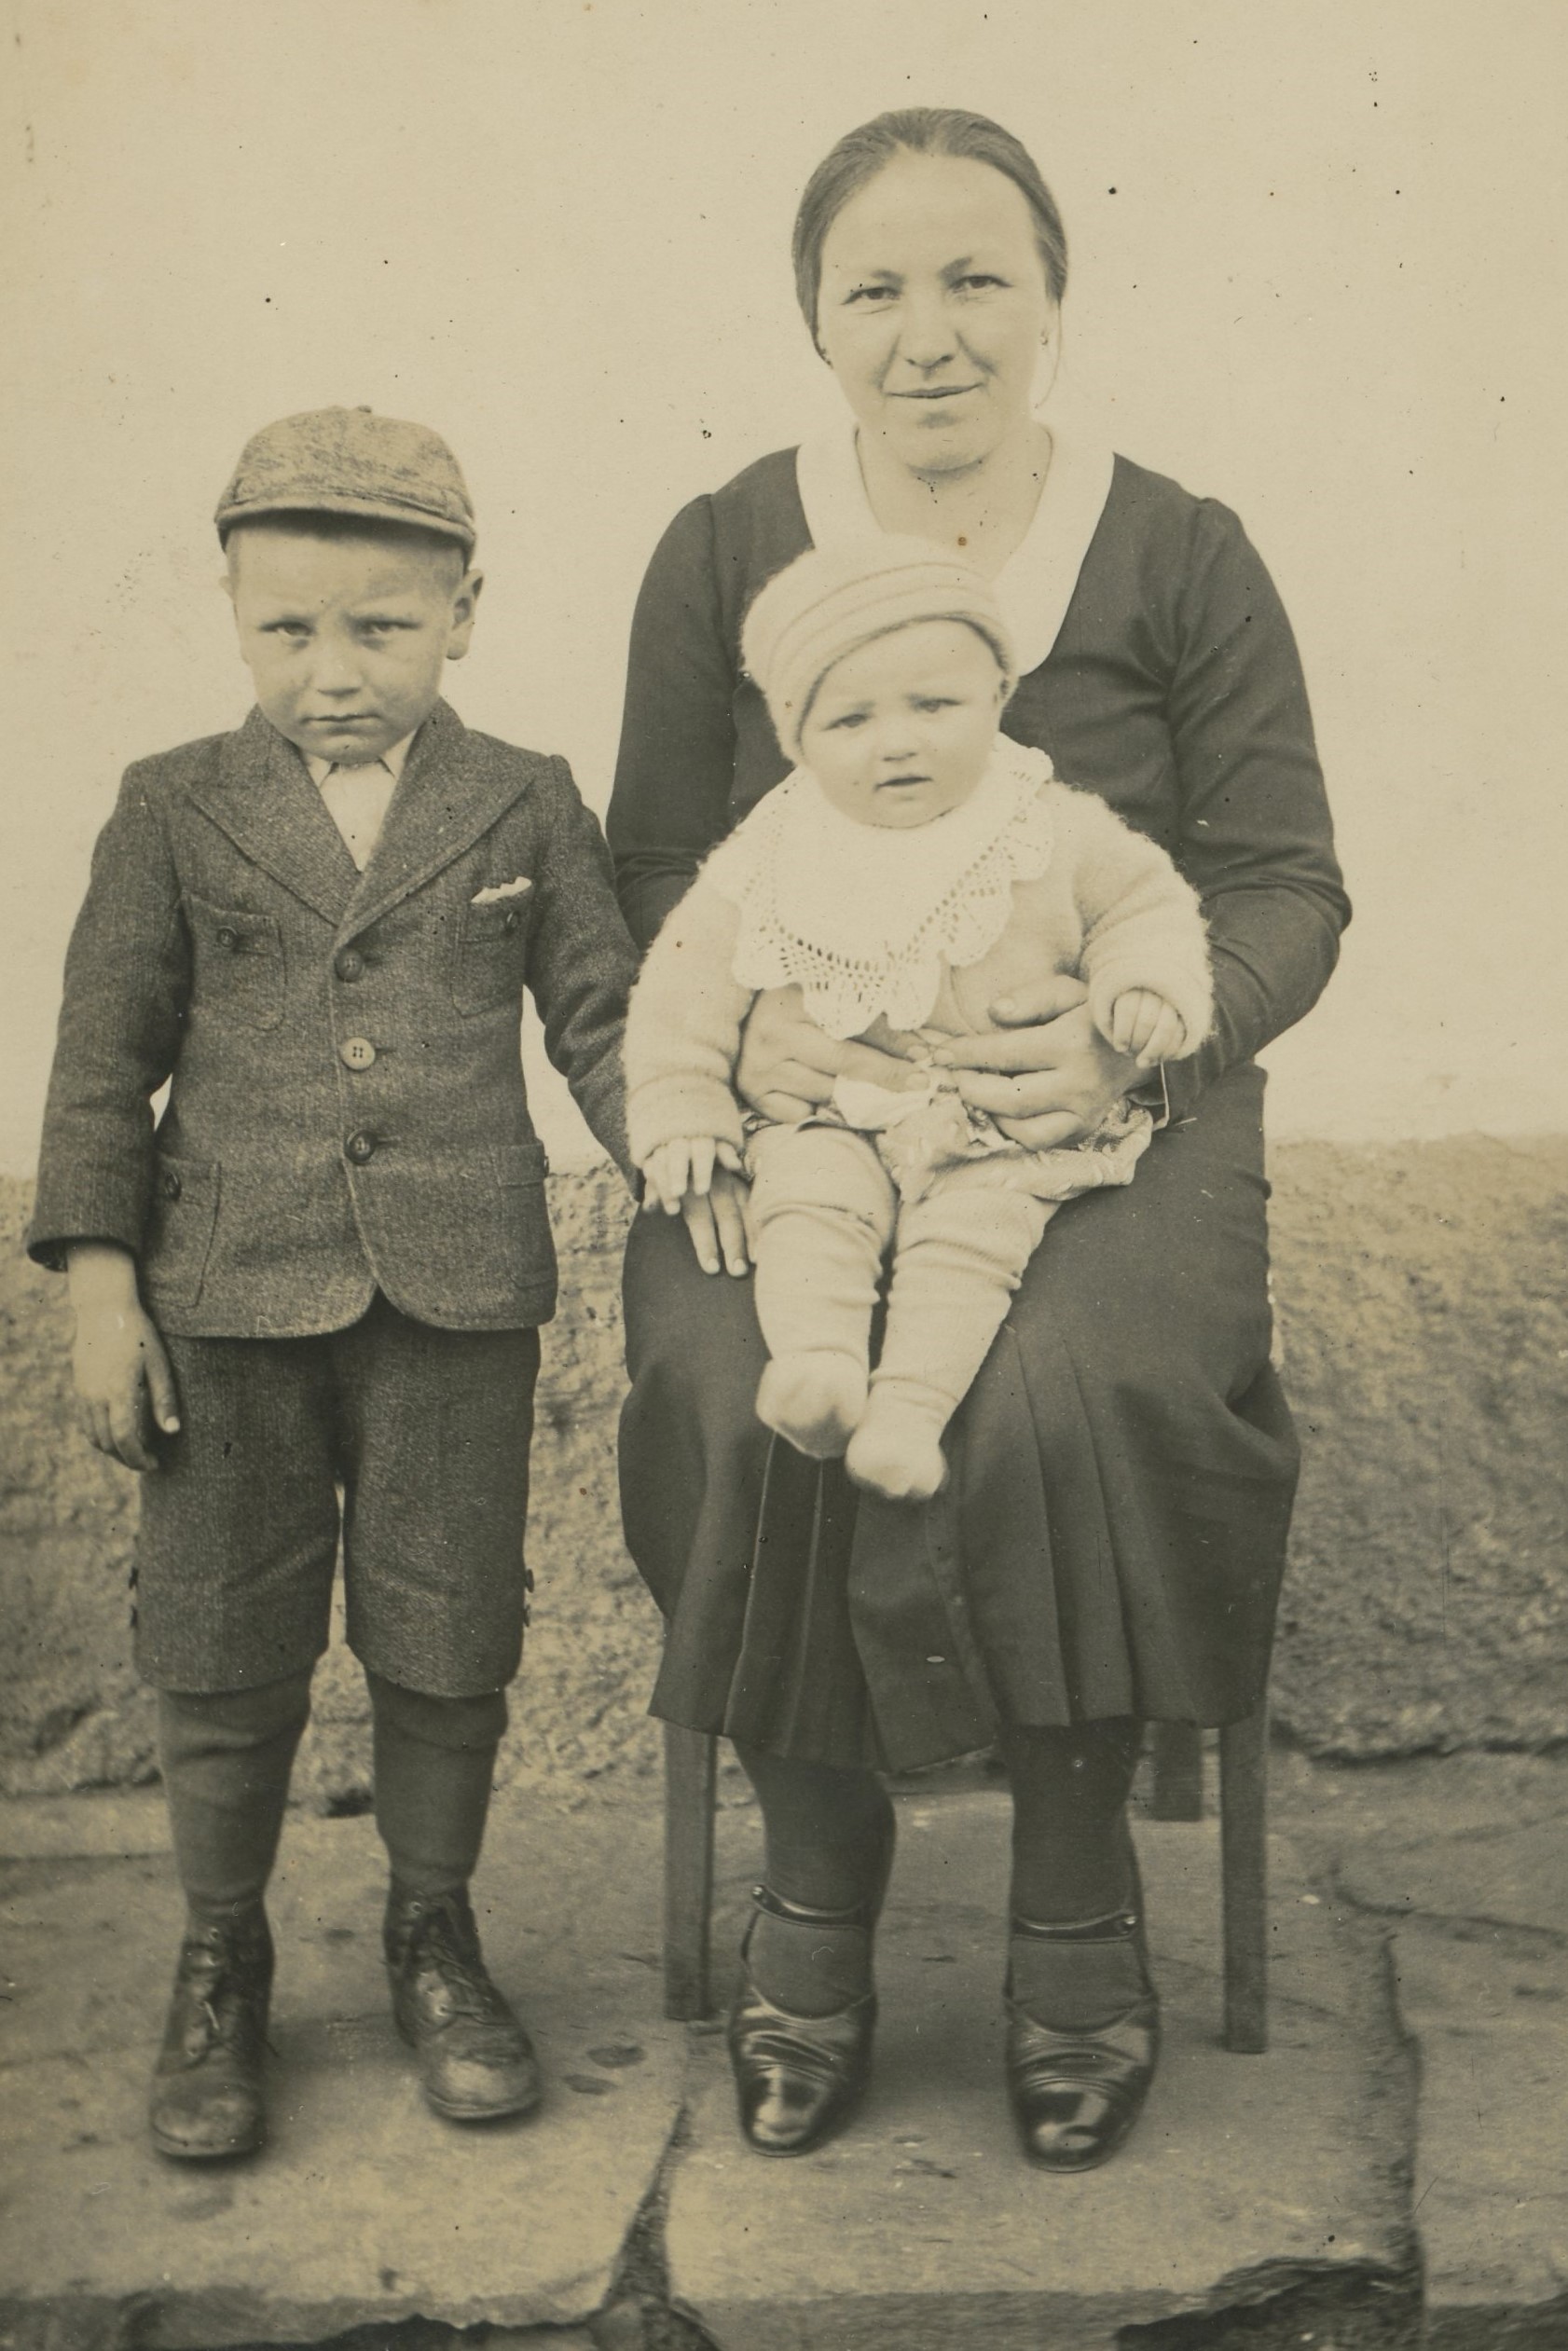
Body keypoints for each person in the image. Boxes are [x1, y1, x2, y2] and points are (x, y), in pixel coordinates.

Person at [607, 108, 1350, 2170]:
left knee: (1068, 1386)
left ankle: (1073, 1894)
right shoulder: (725, 546)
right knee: (740, 1373)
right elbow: (643, 878)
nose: (926, 333)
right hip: (798, 1119)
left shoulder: (1176, 546)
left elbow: (1283, 881)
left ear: (1049, 302)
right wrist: (722, 1075)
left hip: (1099, 1121)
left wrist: (1142, 1049)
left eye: (975, 281)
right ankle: (815, 1878)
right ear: (812, 321)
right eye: (874, 289)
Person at [27, 406, 639, 2160]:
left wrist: (690, 1151)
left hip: (456, 1299)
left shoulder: (523, 795)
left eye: (381, 626)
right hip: (224, 1302)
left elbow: (601, 1019)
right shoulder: (173, 803)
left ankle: (432, 1932)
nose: (334, 670)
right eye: (286, 628)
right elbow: (99, 1067)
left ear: (463, 614)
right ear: (233, 617)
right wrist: (101, 1291)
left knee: (449, 1631)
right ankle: (221, 1952)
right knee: (219, 1637)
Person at [625, 536, 1212, 1505]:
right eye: (849, 719)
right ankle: (817, 1367)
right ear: (796, 739)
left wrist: (1142, 987)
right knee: (806, 1203)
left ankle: (906, 1413)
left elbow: (1144, 906)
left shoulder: (1048, 824)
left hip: (995, 1119)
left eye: (934, 706)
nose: (895, 742)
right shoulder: (773, 850)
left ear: (997, 696)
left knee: (978, 1238)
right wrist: (682, 1103)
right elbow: (681, 984)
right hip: (833, 1108)